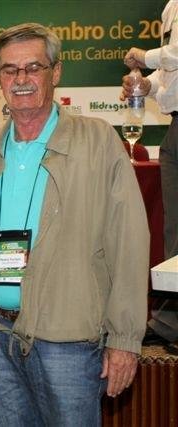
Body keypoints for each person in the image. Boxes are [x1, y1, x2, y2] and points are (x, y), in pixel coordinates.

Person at [0, 23, 149, 426]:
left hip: (68, 342)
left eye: (33, 68)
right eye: (10, 69)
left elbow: (129, 242)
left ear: (56, 72)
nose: (21, 79)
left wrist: (125, 340)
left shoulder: (97, 142)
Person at [121, 0, 178, 344]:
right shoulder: (171, 7)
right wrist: (148, 86)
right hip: (175, 126)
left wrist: (144, 56)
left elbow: (173, 54)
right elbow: (171, 71)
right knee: (175, 229)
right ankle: (171, 321)